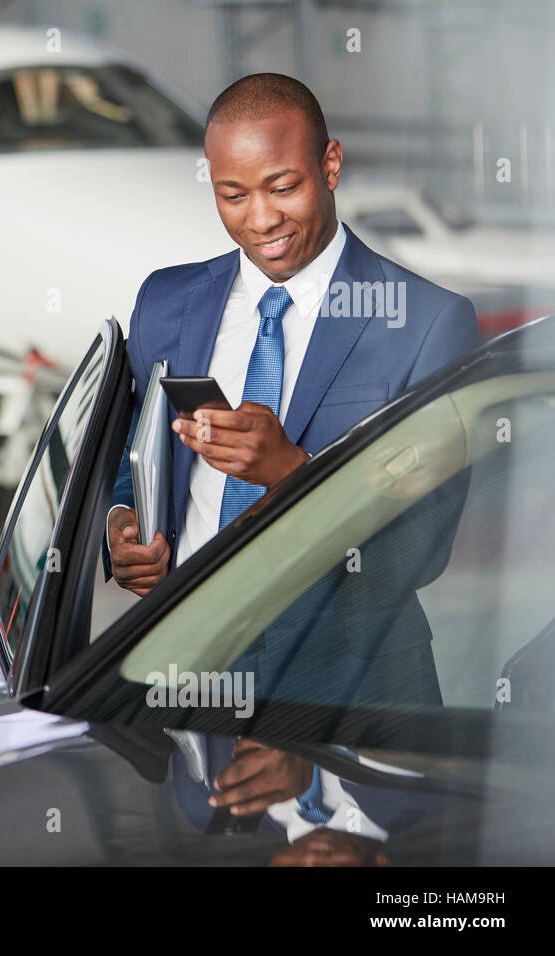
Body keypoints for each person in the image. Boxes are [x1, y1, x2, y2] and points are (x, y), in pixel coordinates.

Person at [106, 73, 479, 818]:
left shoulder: (427, 324)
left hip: (358, 704)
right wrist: (124, 527)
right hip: (192, 688)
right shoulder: (166, 302)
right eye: (232, 195)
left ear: (331, 166)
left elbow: (421, 549)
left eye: (283, 186)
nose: (261, 219)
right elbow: (131, 464)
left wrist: (295, 474)